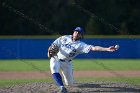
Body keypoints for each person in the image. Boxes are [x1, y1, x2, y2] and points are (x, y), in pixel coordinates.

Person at [48, 27, 119, 93]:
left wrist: (106, 49)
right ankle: (62, 87)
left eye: (79, 33)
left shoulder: (81, 45)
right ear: (73, 32)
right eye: (76, 31)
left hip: (67, 63)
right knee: (54, 69)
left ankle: (67, 84)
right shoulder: (64, 37)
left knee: (70, 83)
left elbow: (93, 48)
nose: (77, 33)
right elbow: (53, 45)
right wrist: (50, 51)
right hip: (56, 57)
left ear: (81, 36)